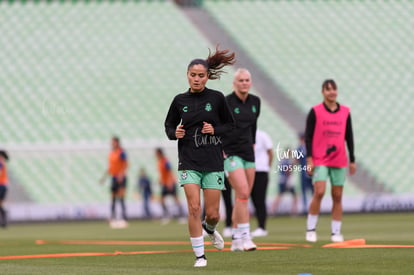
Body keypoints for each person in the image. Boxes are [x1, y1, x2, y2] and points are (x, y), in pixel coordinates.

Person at [164, 46, 235, 267]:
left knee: (213, 214)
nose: (197, 79)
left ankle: (210, 228)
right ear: (187, 75)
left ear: (207, 76)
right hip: (188, 161)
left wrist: (215, 130)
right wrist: (173, 134)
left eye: (201, 75)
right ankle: (200, 256)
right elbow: (168, 125)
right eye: (193, 75)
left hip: (213, 161)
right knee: (194, 207)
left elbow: (230, 126)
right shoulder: (179, 101)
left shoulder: (217, 98)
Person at [305, 79, 356, 243]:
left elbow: (349, 136)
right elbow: (308, 136)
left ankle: (336, 232)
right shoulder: (315, 111)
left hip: (339, 158)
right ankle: (311, 229)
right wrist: (310, 159)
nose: (332, 92)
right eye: (328, 89)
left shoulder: (346, 112)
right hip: (320, 159)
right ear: (323, 92)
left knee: (338, 195)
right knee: (319, 191)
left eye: (334, 89)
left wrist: (352, 159)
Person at [223, 68, 260, 251]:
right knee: (243, 192)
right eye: (241, 80)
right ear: (234, 83)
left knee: (242, 197)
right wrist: (221, 150)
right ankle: (246, 237)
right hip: (231, 154)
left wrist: (252, 144)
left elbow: (254, 126)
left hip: (248, 154)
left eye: (247, 80)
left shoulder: (255, 102)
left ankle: (236, 238)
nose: (244, 83)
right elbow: (218, 126)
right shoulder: (227, 102)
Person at [100, 136, 128, 224]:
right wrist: (104, 177)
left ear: (117, 142)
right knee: (113, 197)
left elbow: (125, 164)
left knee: (121, 197)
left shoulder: (121, 152)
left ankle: (123, 217)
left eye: (113, 142)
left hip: (121, 178)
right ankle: (113, 216)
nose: (111, 143)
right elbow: (110, 167)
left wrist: (121, 174)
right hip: (114, 177)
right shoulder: (111, 153)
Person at [250, 129, 273, 237]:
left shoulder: (262, 135)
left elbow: (270, 152)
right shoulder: (246, 134)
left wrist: (267, 167)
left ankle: (262, 227)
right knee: (252, 199)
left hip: (261, 171)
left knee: (260, 200)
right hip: (249, 171)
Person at [155, 147, 184, 223]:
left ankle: (182, 216)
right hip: (164, 183)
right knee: (161, 200)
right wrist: (160, 180)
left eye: (156, 153)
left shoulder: (165, 161)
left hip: (170, 183)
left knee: (176, 200)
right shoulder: (160, 162)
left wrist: (169, 182)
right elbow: (163, 173)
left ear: (159, 153)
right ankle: (166, 215)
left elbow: (169, 172)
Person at [271, 147, 298, 216]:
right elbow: (288, 170)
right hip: (286, 180)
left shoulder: (282, 160)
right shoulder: (287, 161)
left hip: (281, 180)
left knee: (279, 195)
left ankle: (272, 210)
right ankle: (294, 212)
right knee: (295, 196)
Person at [297, 132, 313, 214]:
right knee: (306, 192)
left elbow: (296, 160)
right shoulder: (301, 148)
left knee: (311, 191)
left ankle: (311, 208)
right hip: (306, 173)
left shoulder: (303, 148)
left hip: (309, 173)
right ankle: (307, 208)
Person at [0, 150, 9, 228]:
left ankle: (4, 218)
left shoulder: (0, 162)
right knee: (1, 204)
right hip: (4, 185)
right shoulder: (3, 162)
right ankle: (4, 220)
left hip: (0, 185)